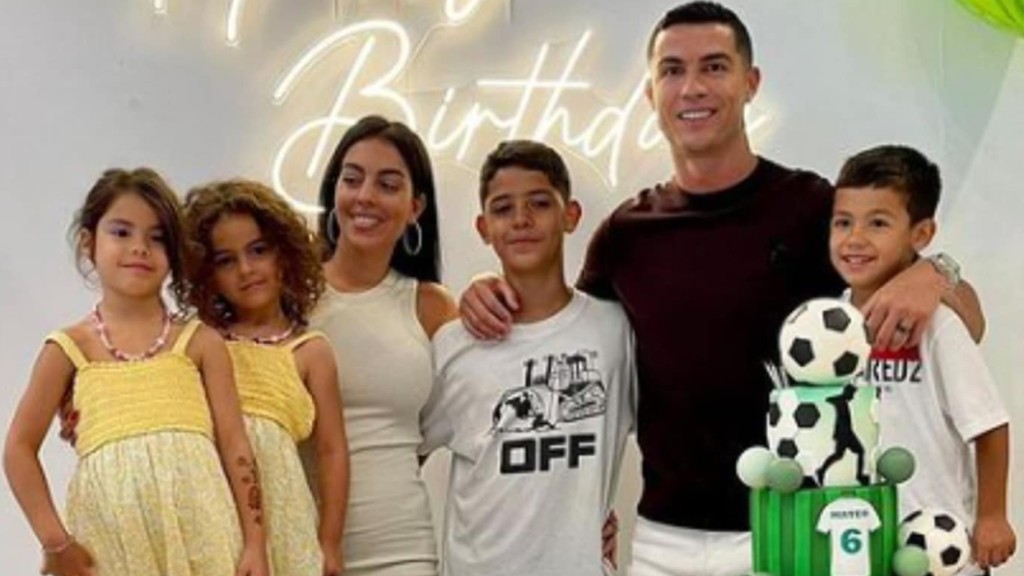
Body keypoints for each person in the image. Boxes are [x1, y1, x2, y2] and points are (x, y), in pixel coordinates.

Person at [459, 3, 985, 574]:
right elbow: (564, 332)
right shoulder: (625, 235)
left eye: (713, 66)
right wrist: (486, 285)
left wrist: (936, 273)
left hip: (790, 528)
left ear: (750, 82)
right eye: (672, 70)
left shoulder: (812, 208)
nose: (692, 87)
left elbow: (971, 323)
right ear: (651, 93)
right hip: (662, 541)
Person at [3, 168, 268, 576]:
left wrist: (254, 544)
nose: (139, 248)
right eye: (122, 232)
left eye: (157, 237)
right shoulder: (68, 349)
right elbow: (18, 448)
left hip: (207, 540)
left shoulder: (200, 344)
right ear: (89, 243)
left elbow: (235, 445)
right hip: (111, 549)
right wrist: (55, 541)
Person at [419, 140, 636, 576]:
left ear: (570, 215)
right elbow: (401, 455)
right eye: (503, 209)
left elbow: (672, 439)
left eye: (539, 203)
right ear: (483, 227)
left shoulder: (615, 332)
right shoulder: (454, 345)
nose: (521, 219)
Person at [830, 144, 1015, 574]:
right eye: (843, 222)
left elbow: (989, 424)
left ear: (921, 235)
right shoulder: (827, 328)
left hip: (940, 546)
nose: (855, 239)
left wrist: (992, 516)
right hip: (861, 547)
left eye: (878, 223)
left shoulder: (938, 325)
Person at [309, 115, 457, 576]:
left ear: (415, 207)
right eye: (352, 179)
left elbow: (454, 424)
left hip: (402, 549)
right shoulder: (289, 295)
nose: (365, 196)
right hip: (298, 546)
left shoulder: (432, 307)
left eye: (388, 185)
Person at [183, 179, 350, 576]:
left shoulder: (310, 352)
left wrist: (329, 541)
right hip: (209, 508)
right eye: (226, 260)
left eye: (258, 250)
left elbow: (332, 451)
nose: (246, 269)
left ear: (284, 254)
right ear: (207, 274)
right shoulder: (197, 343)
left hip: (285, 518)